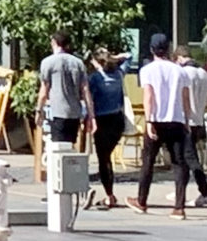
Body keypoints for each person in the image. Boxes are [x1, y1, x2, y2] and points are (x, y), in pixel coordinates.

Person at [128, 34, 195, 218]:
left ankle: (142, 201)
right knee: (179, 163)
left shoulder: (148, 70)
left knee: (148, 161)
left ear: (151, 49)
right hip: (176, 119)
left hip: (156, 119)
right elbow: (185, 97)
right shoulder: (180, 71)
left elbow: (149, 96)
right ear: (168, 49)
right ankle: (179, 207)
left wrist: (149, 120)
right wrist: (187, 120)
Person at [35, 30, 95, 152]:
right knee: (70, 146)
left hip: (57, 111)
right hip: (75, 112)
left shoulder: (48, 62)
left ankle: (61, 171)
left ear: (54, 42)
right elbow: (85, 90)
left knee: (58, 149)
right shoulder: (78, 63)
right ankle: (68, 170)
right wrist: (91, 115)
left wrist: (38, 110)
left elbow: (44, 91)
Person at [86, 48, 131, 209]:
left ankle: (109, 194)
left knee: (103, 159)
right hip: (117, 119)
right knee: (108, 155)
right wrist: (115, 57)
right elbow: (129, 56)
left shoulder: (95, 79)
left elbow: (88, 98)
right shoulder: (119, 74)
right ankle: (109, 194)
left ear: (97, 62)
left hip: (102, 119)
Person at [175, 47, 207, 206]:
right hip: (199, 120)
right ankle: (180, 191)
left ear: (178, 58)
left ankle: (204, 192)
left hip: (187, 121)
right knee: (185, 158)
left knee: (191, 159)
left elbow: (179, 97)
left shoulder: (183, 74)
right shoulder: (205, 74)